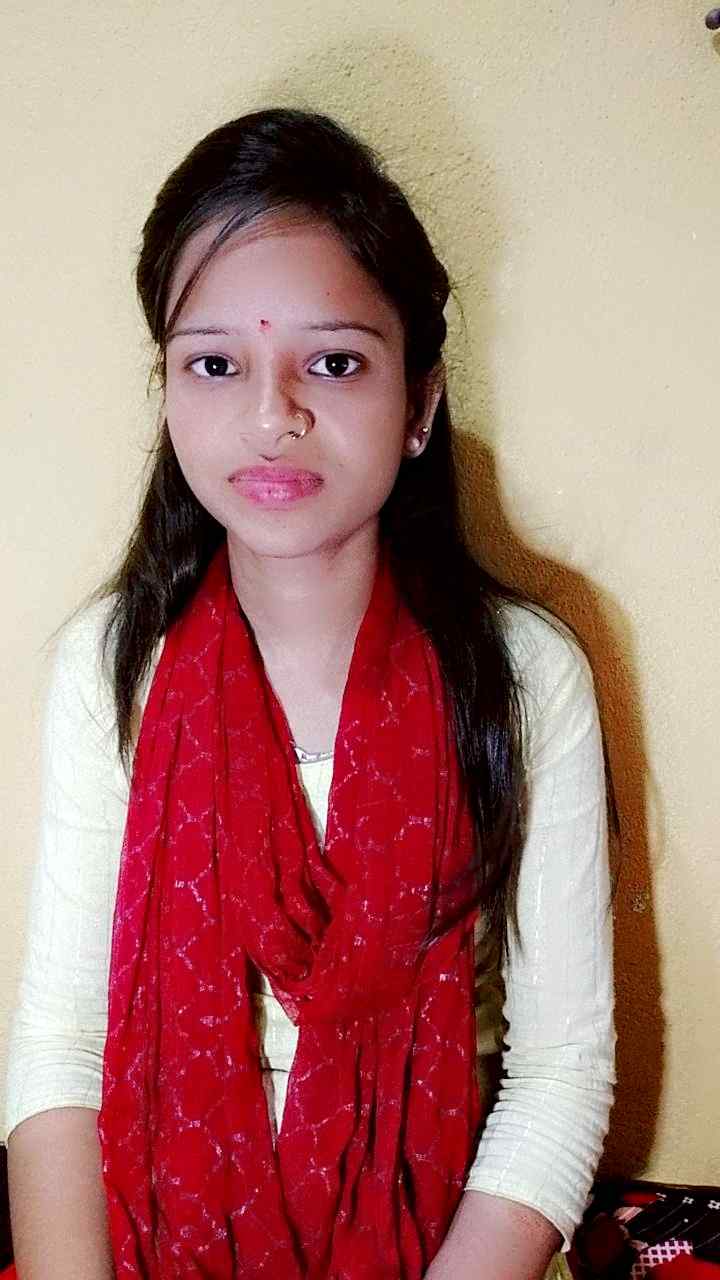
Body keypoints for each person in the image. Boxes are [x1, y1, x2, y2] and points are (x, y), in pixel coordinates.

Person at [4, 107, 616, 1280]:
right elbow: (65, 1043)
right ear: (168, 391)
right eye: (216, 363)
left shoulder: (524, 676)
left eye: (333, 362)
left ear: (420, 401)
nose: (271, 412)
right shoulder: (110, 662)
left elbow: (558, 1073)